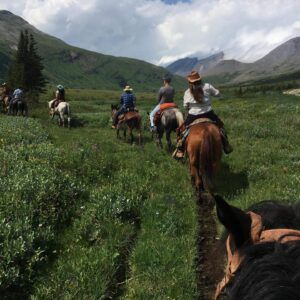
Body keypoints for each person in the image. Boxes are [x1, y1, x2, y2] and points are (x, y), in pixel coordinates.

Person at [174, 70, 233, 158]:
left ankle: (180, 150)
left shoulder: (187, 92)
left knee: (183, 131)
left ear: (190, 82)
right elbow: (217, 93)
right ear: (200, 79)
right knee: (221, 127)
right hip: (208, 113)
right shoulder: (207, 86)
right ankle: (226, 145)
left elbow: (185, 106)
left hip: (193, 115)